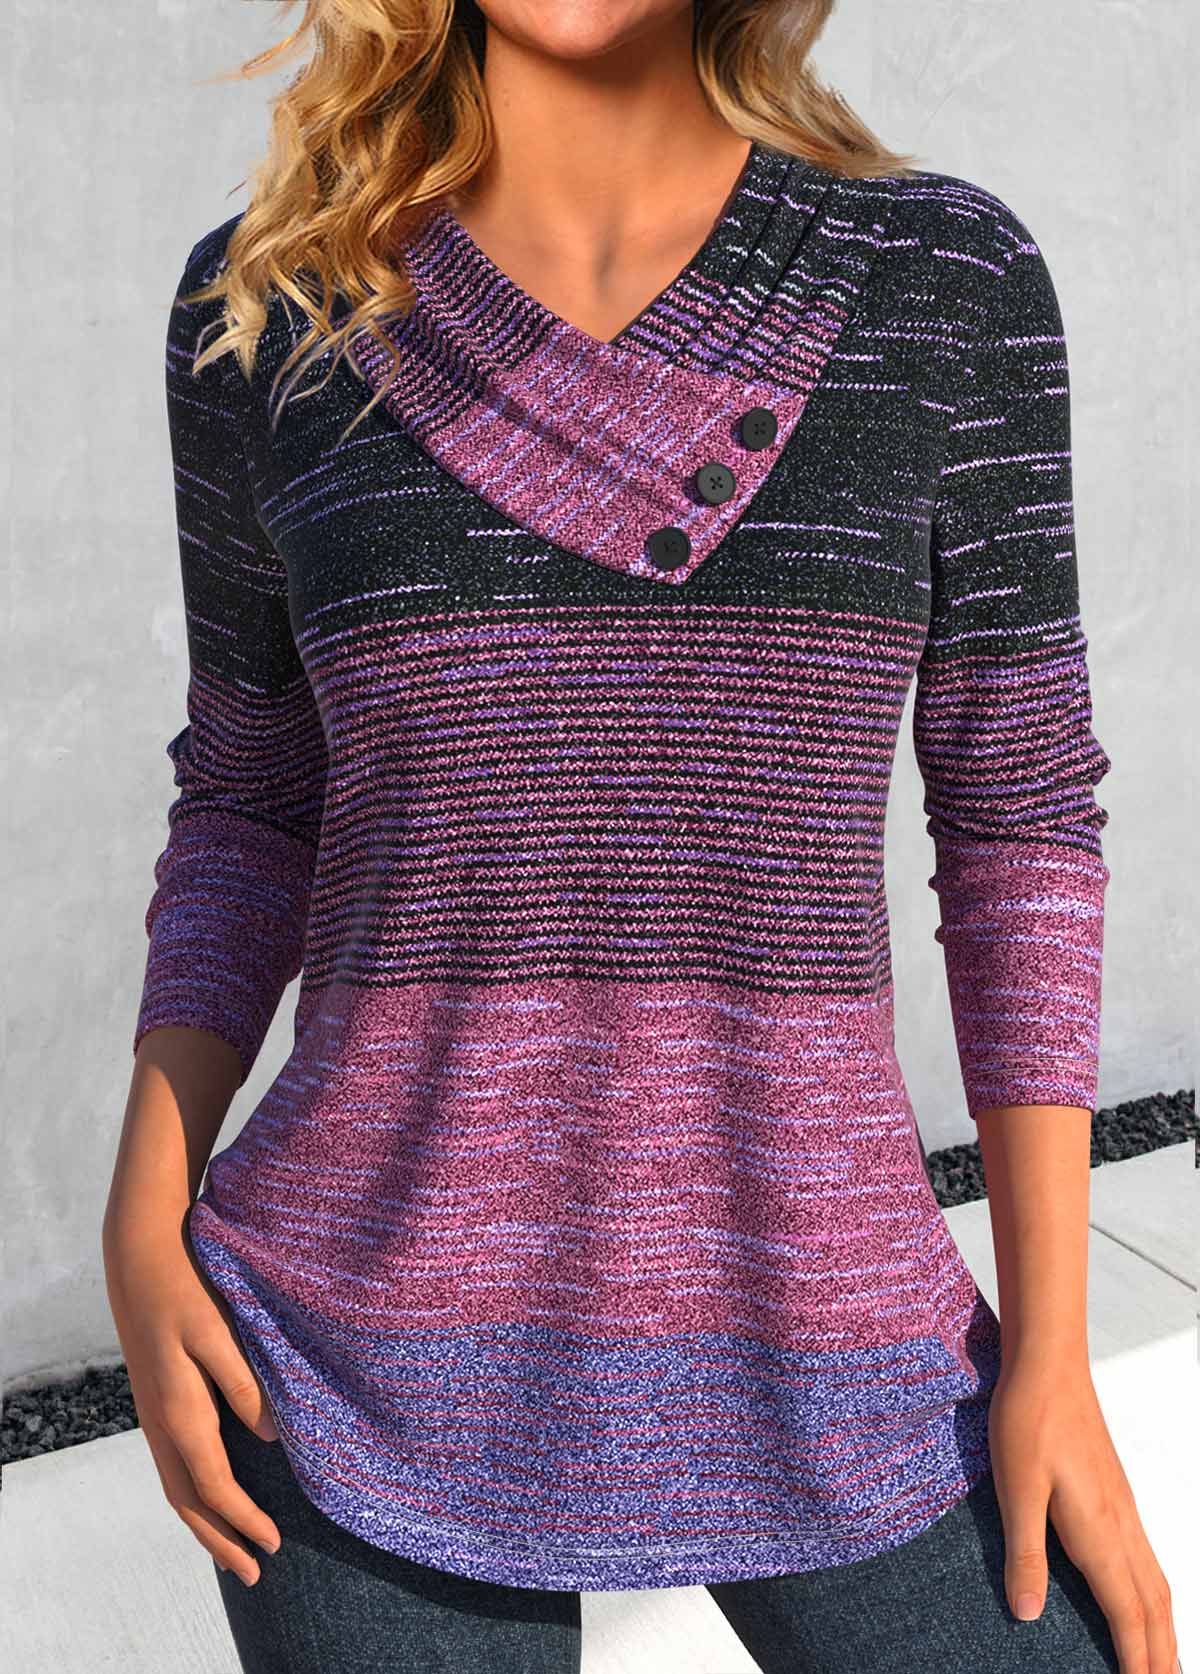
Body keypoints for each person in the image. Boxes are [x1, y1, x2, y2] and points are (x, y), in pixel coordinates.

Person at [101, 2, 1182, 1671]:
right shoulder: (273, 312)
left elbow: (1018, 814)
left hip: (831, 1323)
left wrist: (1051, 1351)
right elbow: (250, 791)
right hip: (348, 1350)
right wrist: (142, 1206)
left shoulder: (939, 283)